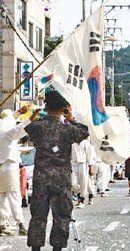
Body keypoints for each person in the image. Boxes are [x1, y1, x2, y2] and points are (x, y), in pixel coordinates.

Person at [25, 91, 89, 251]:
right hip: (61, 180)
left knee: (38, 216)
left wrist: (34, 114)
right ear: (63, 109)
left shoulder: (37, 127)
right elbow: (84, 132)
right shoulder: (67, 129)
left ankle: (35, 248)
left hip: (41, 179)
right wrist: (71, 118)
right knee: (61, 216)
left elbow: (26, 128)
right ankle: (57, 248)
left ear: (46, 107)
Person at [0, 106, 37, 236]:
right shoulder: (8, 132)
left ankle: (2, 224)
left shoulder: (2, 127)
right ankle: (20, 223)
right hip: (9, 166)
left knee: (2, 196)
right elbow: (20, 127)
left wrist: (20, 112)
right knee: (14, 195)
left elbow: (12, 118)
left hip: (0, 166)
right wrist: (31, 117)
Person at [71, 138, 95, 208]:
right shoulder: (72, 143)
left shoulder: (86, 143)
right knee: (73, 183)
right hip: (73, 164)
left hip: (83, 164)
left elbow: (89, 155)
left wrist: (90, 167)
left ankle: (81, 200)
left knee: (83, 182)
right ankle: (78, 194)